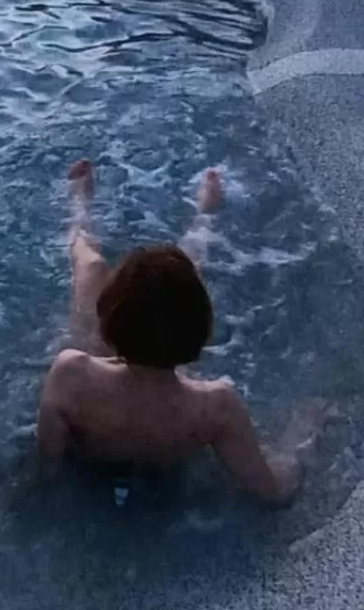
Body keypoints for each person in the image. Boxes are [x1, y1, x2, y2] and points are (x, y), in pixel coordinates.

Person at [35, 159, 321, 503]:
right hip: (169, 395)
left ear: (107, 323)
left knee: (90, 265)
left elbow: (47, 465)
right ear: (202, 332)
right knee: (178, 282)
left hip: (98, 393)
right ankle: (204, 217)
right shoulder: (215, 408)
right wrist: (306, 429)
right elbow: (273, 491)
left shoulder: (71, 374)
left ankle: (79, 209)